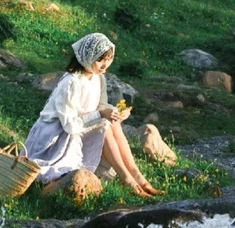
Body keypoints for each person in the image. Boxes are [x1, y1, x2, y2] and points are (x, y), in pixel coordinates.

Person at [24, 33, 160, 198]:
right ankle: (127, 179)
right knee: (104, 125)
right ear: (87, 57)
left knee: (112, 124)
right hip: (56, 133)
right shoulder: (71, 83)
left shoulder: (98, 78)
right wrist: (101, 114)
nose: (105, 65)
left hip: (80, 126)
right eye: (100, 60)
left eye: (108, 59)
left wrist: (115, 113)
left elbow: (100, 106)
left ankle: (138, 177)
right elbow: (70, 125)